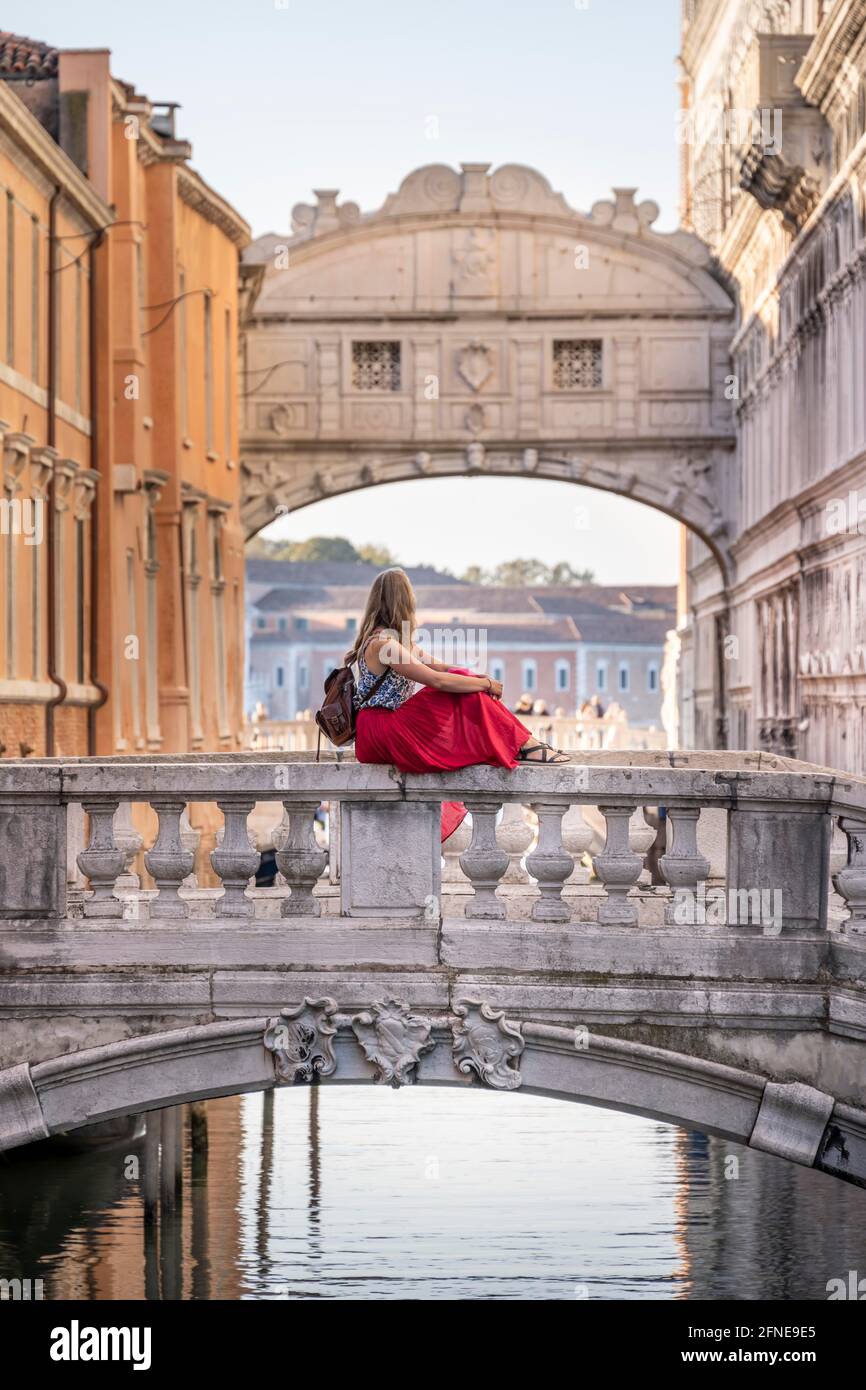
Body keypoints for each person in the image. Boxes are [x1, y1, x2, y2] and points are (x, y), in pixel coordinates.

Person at [347, 569, 569, 841]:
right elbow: (436, 680)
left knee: (463, 678)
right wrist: (485, 686)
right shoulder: (384, 644)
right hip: (380, 730)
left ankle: (523, 743)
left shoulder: (397, 642)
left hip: (381, 729)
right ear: (403, 601)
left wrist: (477, 678)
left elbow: (441, 667)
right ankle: (524, 744)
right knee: (458, 685)